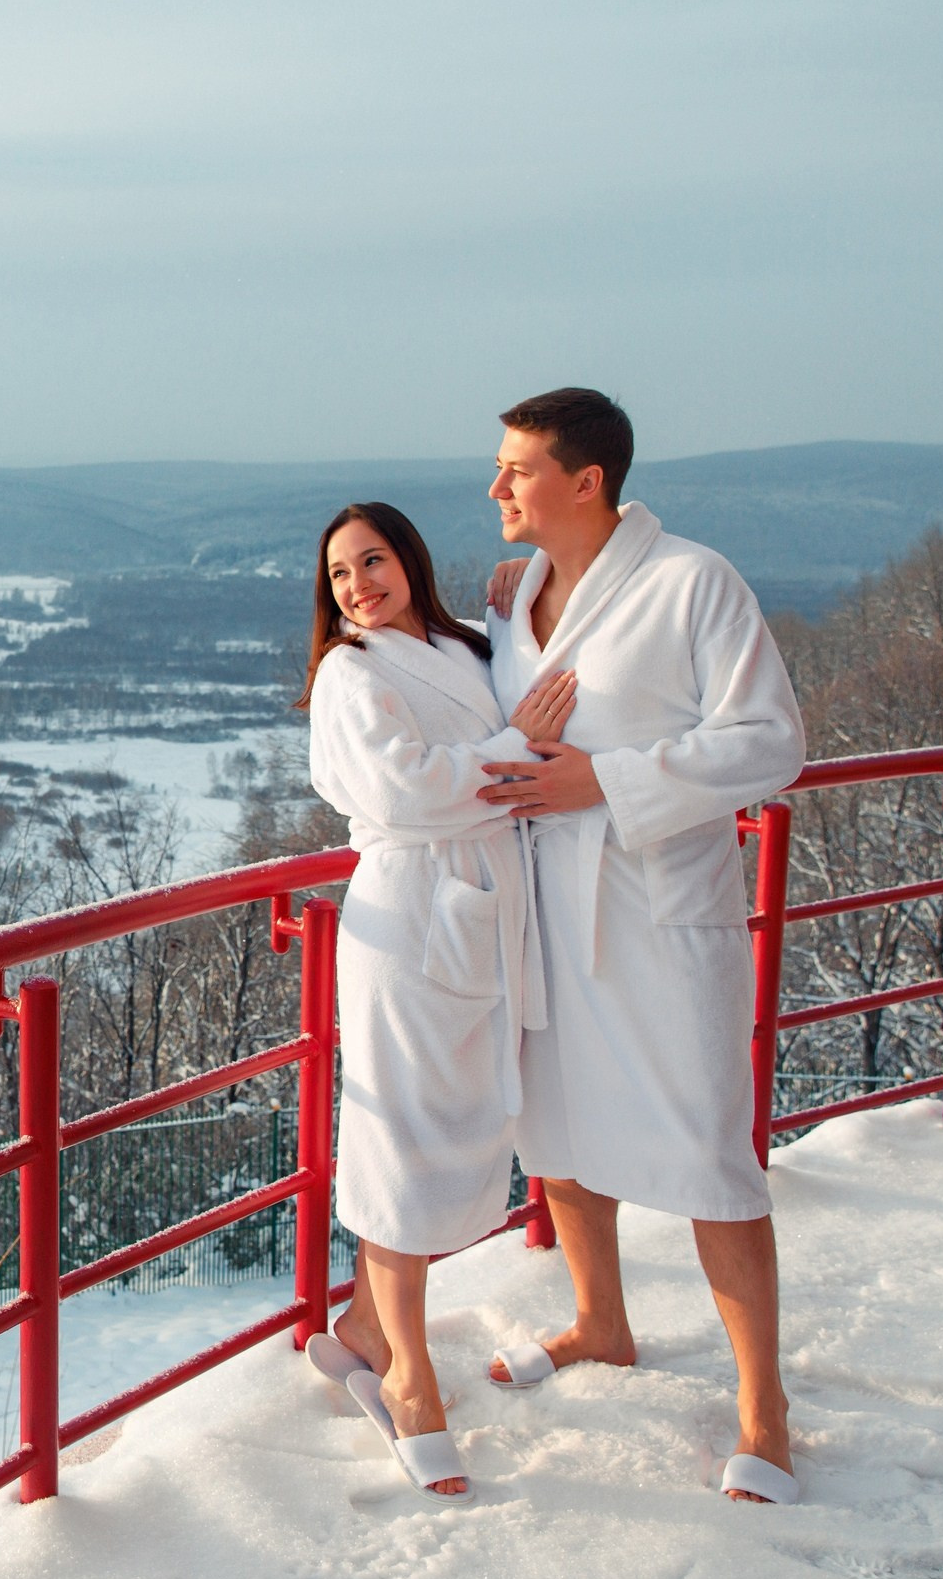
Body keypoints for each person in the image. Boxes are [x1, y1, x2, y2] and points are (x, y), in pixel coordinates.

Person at [473, 388, 808, 1505]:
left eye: (515, 469)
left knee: (709, 1151)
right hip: (543, 907)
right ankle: (599, 1321)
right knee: (555, 1127)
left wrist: (604, 782)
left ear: (586, 481)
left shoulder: (690, 583)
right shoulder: (519, 593)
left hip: (657, 912)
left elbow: (770, 740)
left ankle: (764, 1410)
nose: (495, 488)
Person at [298, 501, 577, 1505]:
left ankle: (366, 1331)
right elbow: (406, 790)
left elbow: (539, 683)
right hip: (409, 922)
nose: (358, 584)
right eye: (337, 576)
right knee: (405, 1143)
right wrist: (510, 751)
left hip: (480, 912)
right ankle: (410, 1378)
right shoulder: (350, 672)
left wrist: (517, 599)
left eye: (370, 560)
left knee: (467, 1127)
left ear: (406, 559)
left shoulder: (460, 649)